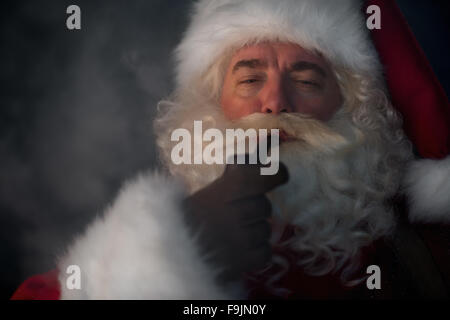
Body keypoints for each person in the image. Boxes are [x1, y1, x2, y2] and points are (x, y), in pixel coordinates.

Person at [12, 0, 450, 300]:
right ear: (210, 107)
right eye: (249, 79)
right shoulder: (166, 234)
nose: (275, 102)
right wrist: (181, 246)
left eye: (307, 80)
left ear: (355, 112)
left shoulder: (421, 257)